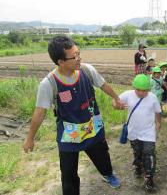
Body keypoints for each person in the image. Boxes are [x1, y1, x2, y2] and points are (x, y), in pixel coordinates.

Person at [23, 36, 124, 195]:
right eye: (74, 56)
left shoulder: (87, 70)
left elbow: (103, 84)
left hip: (92, 126)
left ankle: (108, 174)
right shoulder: (49, 83)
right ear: (60, 62)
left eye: (79, 53)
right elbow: (40, 112)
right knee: (68, 173)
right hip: (69, 134)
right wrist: (30, 138)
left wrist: (116, 98)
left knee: (102, 156)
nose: (79, 58)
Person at [114, 74, 161, 190]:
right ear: (134, 87)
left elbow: (157, 112)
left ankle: (149, 178)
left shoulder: (153, 97)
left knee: (149, 153)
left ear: (148, 89)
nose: (141, 93)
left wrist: (158, 123)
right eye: (138, 90)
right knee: (138, 151)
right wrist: (118, 106)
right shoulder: (128, 95)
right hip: (133, 132)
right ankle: (138, 167)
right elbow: (114, 102)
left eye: (144, 90)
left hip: (148, 132)